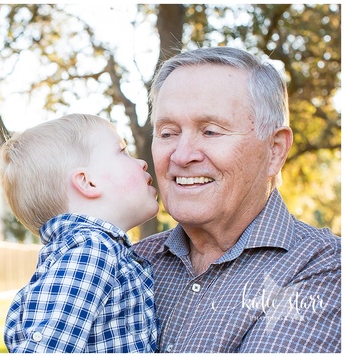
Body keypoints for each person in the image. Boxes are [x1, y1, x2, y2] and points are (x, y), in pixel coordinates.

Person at [133, 46, 341, 353]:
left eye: (211, 132)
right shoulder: (131, 263)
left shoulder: (326, 269)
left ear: (275, 150)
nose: (182, 155)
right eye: (167, 133)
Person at [0, 114, 160, 352]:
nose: (142, 163)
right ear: (88, 182)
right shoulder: (92, 252)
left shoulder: (93, 251)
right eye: (122, 151)